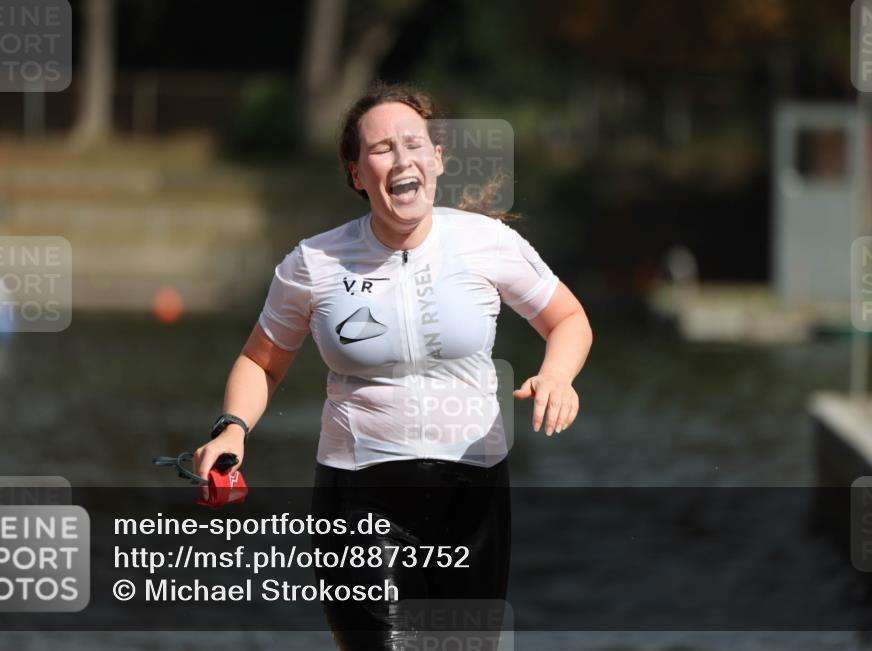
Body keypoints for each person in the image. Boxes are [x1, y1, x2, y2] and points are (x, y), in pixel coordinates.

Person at [194, 82, 593, 649]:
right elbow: (260, 362)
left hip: (473, 493)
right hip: (360, 496)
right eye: (381, 148)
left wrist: (557, 375)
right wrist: (232, 428)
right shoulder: (314, 263)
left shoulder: (488, 243)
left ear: (437, 158)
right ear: (357, 173)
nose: (401, 158)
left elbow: (568, 319)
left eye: (414, 143)